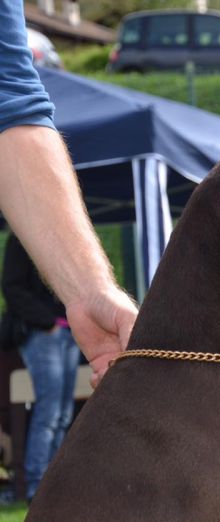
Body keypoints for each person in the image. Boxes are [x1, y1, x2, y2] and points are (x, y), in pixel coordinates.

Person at [0, 1, 138, 390]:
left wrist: (91, 292)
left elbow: (12, 107)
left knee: (56, 410)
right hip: (43, 331)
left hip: (56, 330)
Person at [2, 234, 81, 501]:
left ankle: (54, 484)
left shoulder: (66, 239)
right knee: (49, 412)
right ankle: (37, 486)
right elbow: (12, 287)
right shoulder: (22, 237)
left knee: (63, 415)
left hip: (69, 332)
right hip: (43, 333)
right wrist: (47, 322)